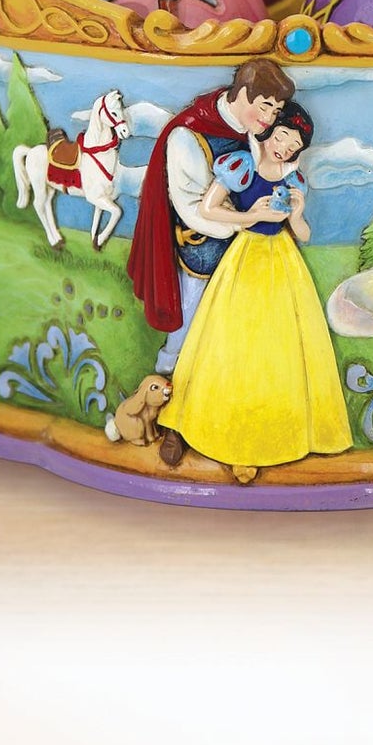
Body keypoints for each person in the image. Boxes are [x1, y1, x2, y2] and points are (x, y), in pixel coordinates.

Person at [158, 101, 352, 477]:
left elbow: (304, 235)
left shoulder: (293, 180)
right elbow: (209, 209)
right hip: (245, 256)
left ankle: (273, 435)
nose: (284, 148)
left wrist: (296, 214)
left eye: (293, 146)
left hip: (282, 261)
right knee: (233, 341)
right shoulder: (241, 166)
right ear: (269, 131)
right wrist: (251, 216)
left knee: (281, 345)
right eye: (282, 137)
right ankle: (222, 434)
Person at [126, 59, 295, 334]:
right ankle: (172, 356)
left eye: (276, 111)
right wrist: (248, 220)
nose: (269, 117)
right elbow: (193, 207)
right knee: (194, 313)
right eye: (264, 106)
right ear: (243, 94)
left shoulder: (256, 132)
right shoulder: (188, 136)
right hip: (204, 245)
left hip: (245, 247)